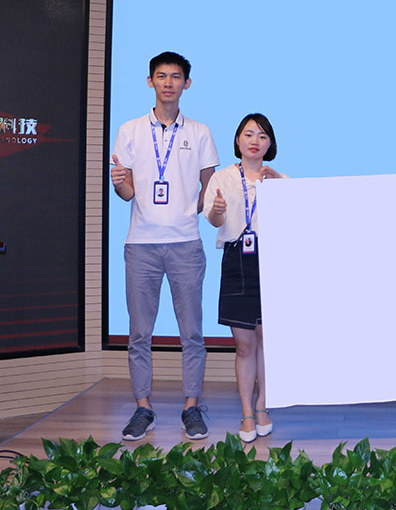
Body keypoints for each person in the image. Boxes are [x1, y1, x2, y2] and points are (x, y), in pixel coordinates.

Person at [110, 52, 219, 441]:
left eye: (175, 77)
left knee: (192, 333)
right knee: (140, 334)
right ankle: (143, 408)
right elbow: (127, 194)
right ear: (150, 81)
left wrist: (197, 212)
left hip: (186, 243)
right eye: (161, 76)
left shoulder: (200, 132)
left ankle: (191, 407)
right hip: (141, 245)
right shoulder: (130, 130)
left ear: (186, 84)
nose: (168, 83)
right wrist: (119, 182)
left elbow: (209, 188)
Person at [205, 113, 285, 443]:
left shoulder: (279, 178)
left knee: (268, 342)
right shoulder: (222, 177)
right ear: (238, 140)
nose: (255, 141)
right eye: (249, 134)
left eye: (263, 136)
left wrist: (280, 186)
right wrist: (217, 212)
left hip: (272, 262)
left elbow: (298, 218)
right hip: (237, 260)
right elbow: (213, 219)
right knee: (244, 345)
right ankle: (247, 412)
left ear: (270, 144)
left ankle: (263, 406)